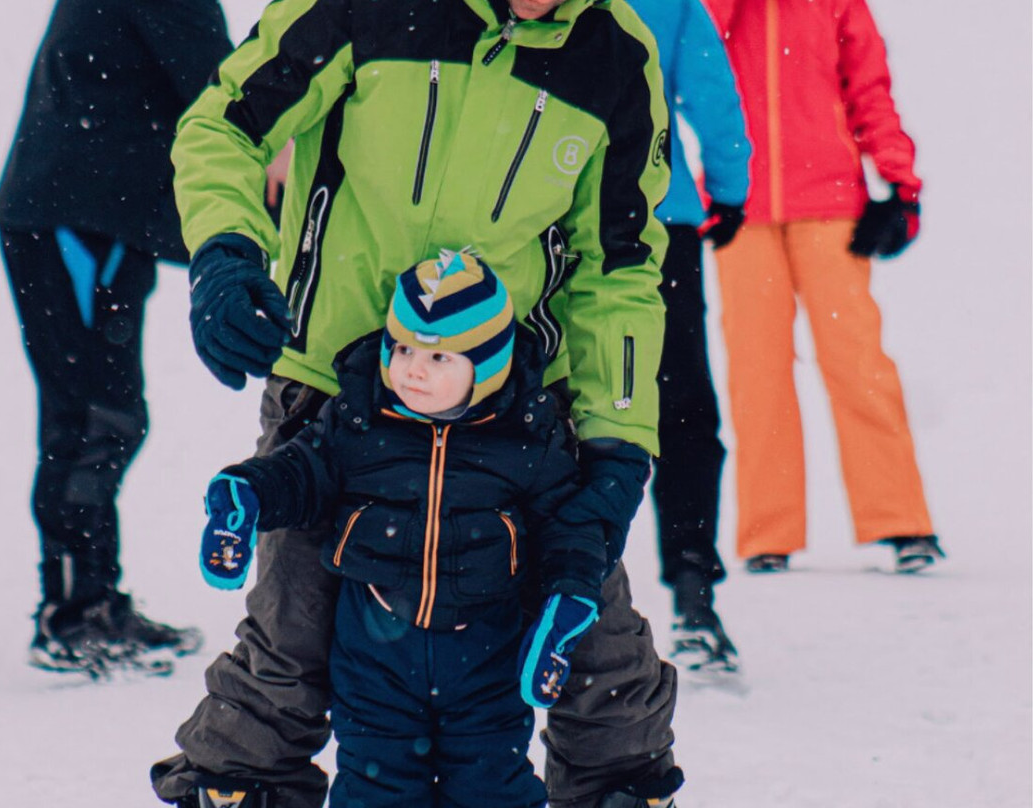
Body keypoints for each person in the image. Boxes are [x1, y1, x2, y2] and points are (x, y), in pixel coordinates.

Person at [150, 0, 683, 806]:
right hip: (333, 393)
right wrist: (227, 248)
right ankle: (239, 792)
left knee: (599, 662)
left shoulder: (614, 53)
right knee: (285, 655)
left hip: (516, 418)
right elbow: (223, 124)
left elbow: (620, 266)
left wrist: (616, 442)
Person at [193, 254, 607, 808]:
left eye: (439, 356)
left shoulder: (528, 440)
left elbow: (567, 527)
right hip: (374, 656)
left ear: (487, 366)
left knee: (492, 788)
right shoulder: (359, 422)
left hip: (485, 658)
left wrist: (568, 601)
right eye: (404, 347)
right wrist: (247, 494)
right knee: (374, 788)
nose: (413, 369)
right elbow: (301, 472)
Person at [0, 0, 234, 676]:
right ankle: (71, 616)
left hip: (97, 215)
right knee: (93, 417)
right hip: (73, 214)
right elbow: (228, 92)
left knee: (104, 416)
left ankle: (95, 599)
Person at [704, 0, 945, 574]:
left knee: (857, 361)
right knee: (756, 369)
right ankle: (768, 533)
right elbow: (691, 62)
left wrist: (899, 184)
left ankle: (901, 521)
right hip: (740, 206)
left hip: (831, 205)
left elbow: (870, 90)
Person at [629, 0, 750, 674]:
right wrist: (729, 189)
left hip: (554, 215)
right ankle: (694, 588)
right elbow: (712, 91)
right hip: (661, 218)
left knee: (558, 403)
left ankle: (548, 585)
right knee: (681, 406)